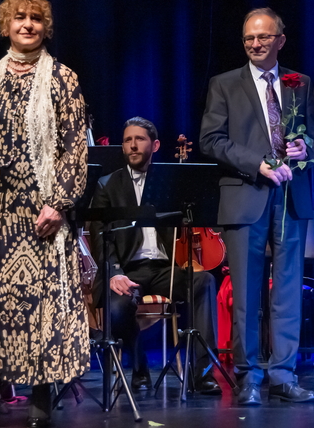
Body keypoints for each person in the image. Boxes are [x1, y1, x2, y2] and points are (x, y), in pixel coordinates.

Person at [0, 0, 89, 428]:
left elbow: (74, 147)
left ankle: (41, 396)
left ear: (46, 27)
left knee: (42, 307)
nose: (27, 24)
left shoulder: (62, 79)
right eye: (19, 17)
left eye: (35, 18)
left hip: (41, 217)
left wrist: (59, 203)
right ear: (5, 25)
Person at [199, 7, 314, 405]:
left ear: (280, 40)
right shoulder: (224, 84)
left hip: (290, 196)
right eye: (249, 38)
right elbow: (211, 140)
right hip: (245, 194)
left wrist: (306, 148)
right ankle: (248, 375)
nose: (255, 44)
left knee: (287, 291)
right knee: (246, 293)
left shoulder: (300, 83)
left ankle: (283, 375)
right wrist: (258, 164)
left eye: (263, 37)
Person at [90, 117, 221, 395]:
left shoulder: (170, 182)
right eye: (127, 140)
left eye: (139, 139)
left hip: (165, 269)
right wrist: (115, 273)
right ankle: (139, 367)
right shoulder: (107, 185)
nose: (132, 145)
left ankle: (202, 373)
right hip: (127, 270)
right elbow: (101, 236)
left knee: (205, 282)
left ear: (155, 145)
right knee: (117, 307)